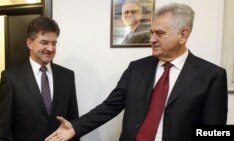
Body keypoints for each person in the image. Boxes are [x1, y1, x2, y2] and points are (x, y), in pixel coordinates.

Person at [45, 3, 228, 141]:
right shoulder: (137, 69)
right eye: (151, 32)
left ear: (183, 34)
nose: (152, 39)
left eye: (160, 33)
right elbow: (109, 106)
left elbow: (213, 131)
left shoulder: (212, 76)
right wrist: (75, 127)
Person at [0, 17, 79, 141]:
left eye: (54, 43)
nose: (50, 48)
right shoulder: (11, 78)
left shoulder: (67, 76)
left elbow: (73, 122)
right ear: (29, 43)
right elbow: (3, 128)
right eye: (44, 42)